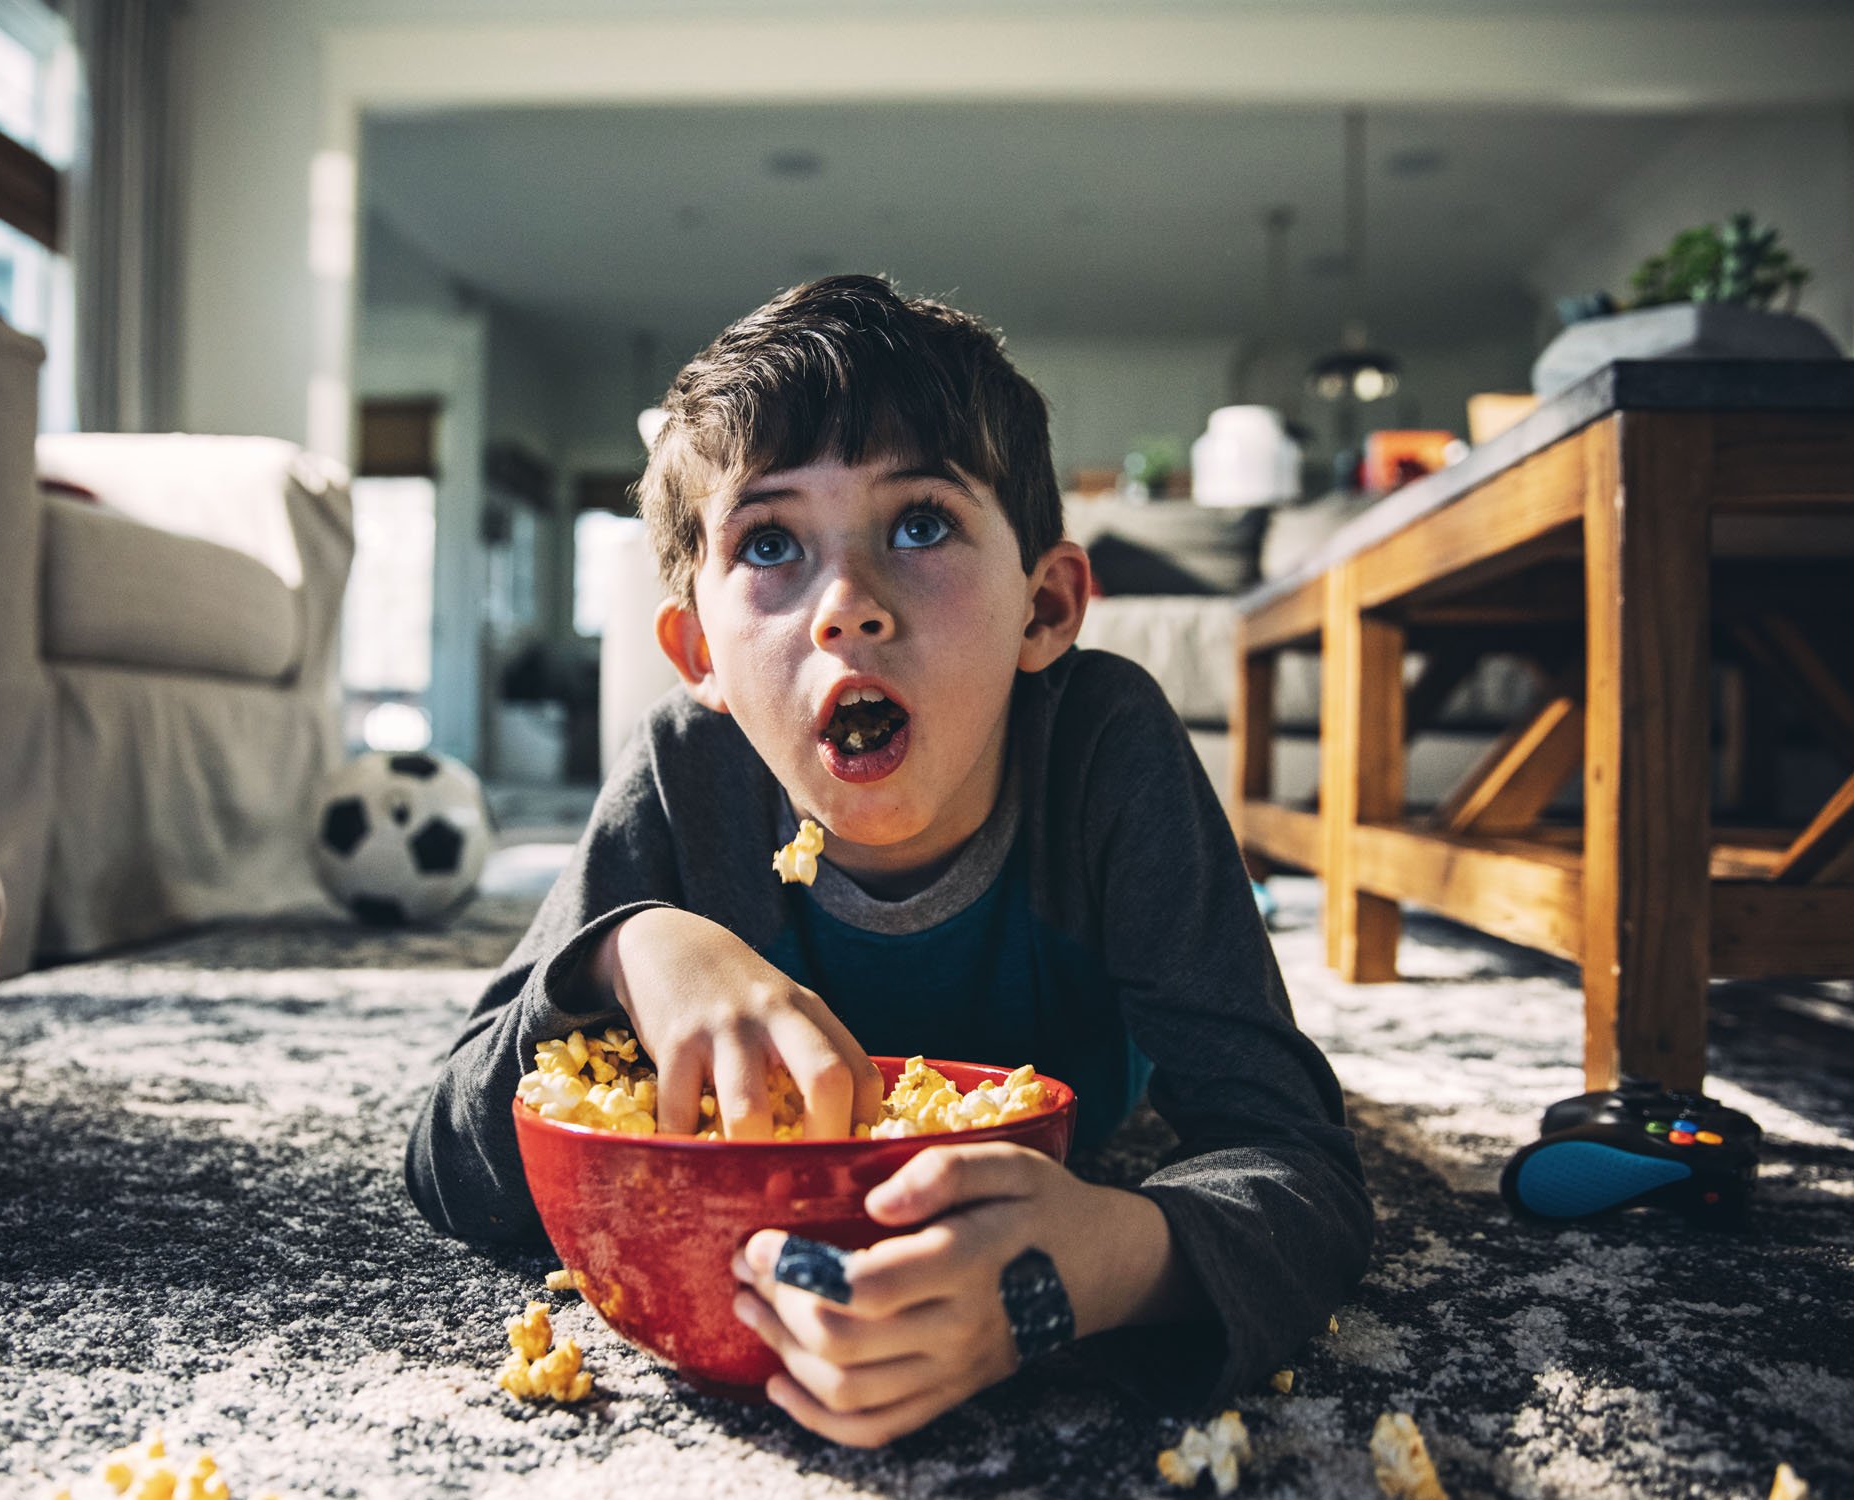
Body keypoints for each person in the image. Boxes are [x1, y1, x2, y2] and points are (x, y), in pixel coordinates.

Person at [405, 274, 1372, 1446]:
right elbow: (445, 1156)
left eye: (921, 523)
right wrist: (628, 953)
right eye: (771, 541)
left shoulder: (1106, 747)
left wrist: (1105, 1261)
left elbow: (1298, 1162)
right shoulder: (685, 775)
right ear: (697, 649)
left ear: (1046, 606)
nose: (847, 606)